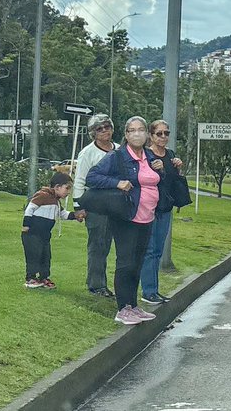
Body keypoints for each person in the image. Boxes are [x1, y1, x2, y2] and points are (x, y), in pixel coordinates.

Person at [86, 116, 167, 326]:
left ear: (146, 135)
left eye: (141, 129)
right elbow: (92, 177)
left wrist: (161, 169)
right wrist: (118, 182)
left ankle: (133, 305)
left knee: (138, 262)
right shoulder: (118, 156)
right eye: (133, 130)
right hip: (127, 215)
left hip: (147, 216)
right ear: (126, 134)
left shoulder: (149, 155)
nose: (137, 133)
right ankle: (123, 308)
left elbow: (157, 182)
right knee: (126, 262)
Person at [73, 113, 117, 299]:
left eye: (107, 126)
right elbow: (79, 180)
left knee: (114, 246)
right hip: (96, 204)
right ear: (93, 133)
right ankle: (96, 285)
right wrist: (78, 206)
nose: (105, 131)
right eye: (100, 128)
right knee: (98, 245)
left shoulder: (120, 149)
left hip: (118, 204)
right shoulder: (87, 153)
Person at [140, 119, 183, 305]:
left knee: (158, 250)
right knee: (149, 250)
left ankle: (154, 290)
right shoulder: (145, 155)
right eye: (159, 133)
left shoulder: (170, 155)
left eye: (166, 133)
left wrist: (177, 167)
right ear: (151, 135)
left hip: (165, 208)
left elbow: (172, 182)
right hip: (149, 208)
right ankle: (148, 291)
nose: (163, 137)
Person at [22, 173, 86, 289]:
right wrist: (26, 225)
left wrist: (75, 215)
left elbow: (62, 214)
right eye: (67, 188)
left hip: (45, 235)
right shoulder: (42, 195)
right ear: (57, 187)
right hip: (32, 233)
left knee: (45, 256)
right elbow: (30, 209)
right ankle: (30, 278)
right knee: (33, 255)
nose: (68, 192)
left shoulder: (56, 201)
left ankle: (44, 277)